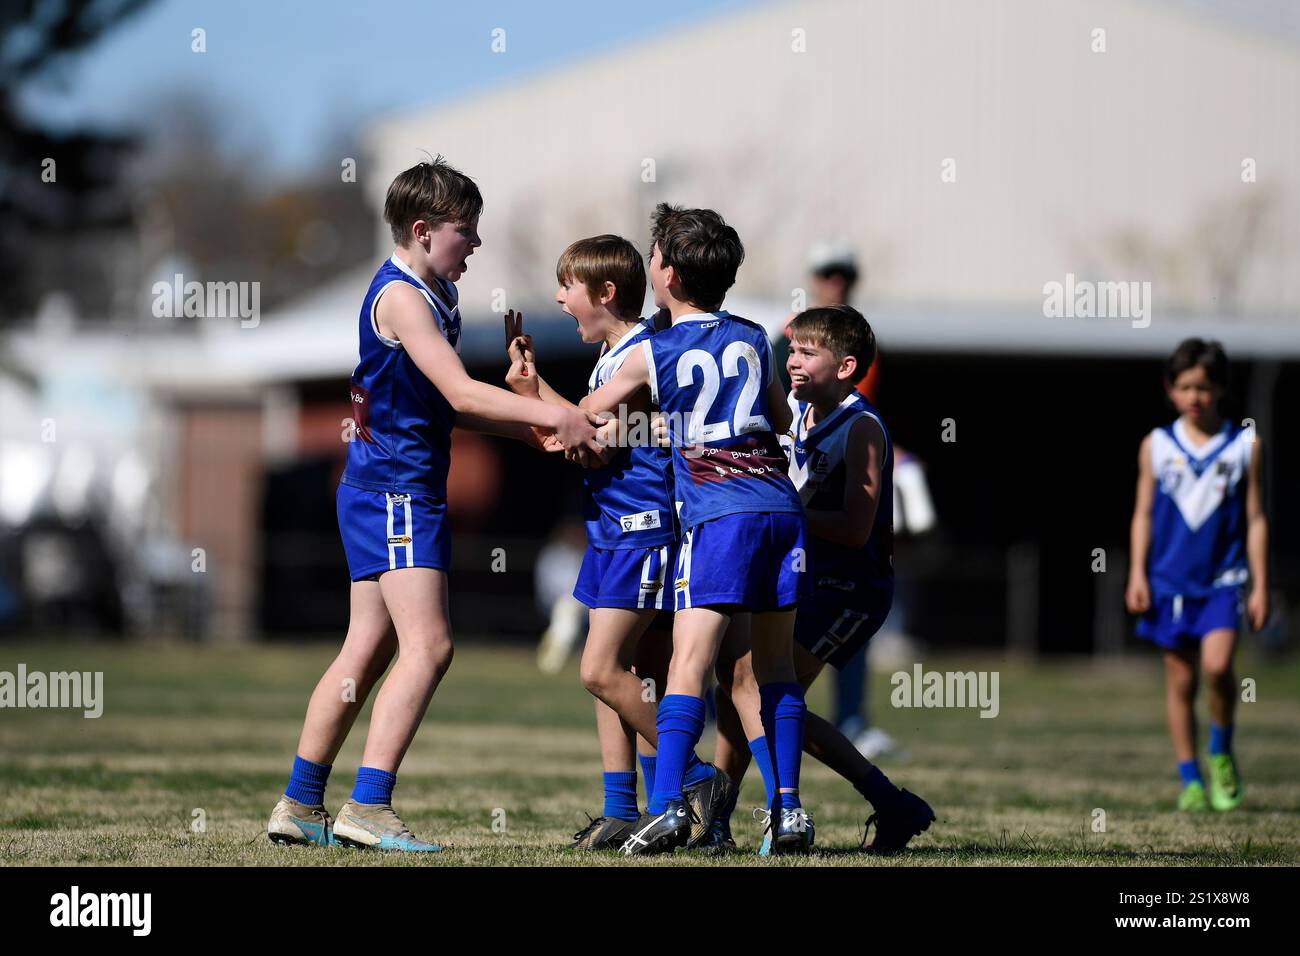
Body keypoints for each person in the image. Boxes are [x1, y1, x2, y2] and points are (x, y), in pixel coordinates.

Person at [266, 157, 601, 852]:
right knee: (432, 645)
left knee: (368, 647)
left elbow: (442, 410)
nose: (475, 244)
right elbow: (459, 394)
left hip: (385, 489)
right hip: (395, 493)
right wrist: (556, 417)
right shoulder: (402, 300)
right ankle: (369, 806)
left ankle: (300, 804)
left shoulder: (431, 293)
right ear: (422, 230)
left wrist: (533, 427)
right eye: (465, 231)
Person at [582, 204, 815, 855]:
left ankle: (664, 808)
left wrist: (537, 398)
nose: (649, 264)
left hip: (718, 517)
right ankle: (788, 811)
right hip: (780, 510)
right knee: (772, 672)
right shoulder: (752, 334)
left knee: (688, 664)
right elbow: (779, 419)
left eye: (654, 255)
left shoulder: (654, 348)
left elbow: (585, 419)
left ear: (671, 274)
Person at [501, 235, 723, 849]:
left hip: (642, 532)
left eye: (567, 286)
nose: (558, 297)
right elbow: (582, 433)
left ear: (604, 293)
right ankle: (626, 808)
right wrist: (534, 388)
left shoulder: (644, 353)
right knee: (624, 672)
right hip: (610, 533)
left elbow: (591, 446)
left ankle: (695, 779)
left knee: (599, 670)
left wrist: (531, 398)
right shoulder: (612, 356)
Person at [710, 305, 934, 854]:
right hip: (799, 575)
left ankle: (760, 814)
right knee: (744, 691)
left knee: (759, 690)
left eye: (809, 352)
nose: (793, 362)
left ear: (846, 366)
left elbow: (857, 529)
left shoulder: (862, 428)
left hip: (850, 589)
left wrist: (779, 510)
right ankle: (889, 805)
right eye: (791, 351)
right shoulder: (792, 410)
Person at [1126, 338, 1268, 813]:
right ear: (1171, 390)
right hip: (1168, 583)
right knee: (1181, 682)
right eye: (1185, 386)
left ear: (1221, 389)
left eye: (1204, 387)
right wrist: (1137, 575)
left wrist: (1261, 586)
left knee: (1217, 667)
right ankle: (1190, 777)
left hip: (1223, 583)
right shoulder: (1158, 444)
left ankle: (1221, 751)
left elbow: (1255, 519)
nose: (1194, 396)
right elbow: (1143, 513)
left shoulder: (1245, 445)